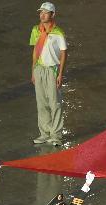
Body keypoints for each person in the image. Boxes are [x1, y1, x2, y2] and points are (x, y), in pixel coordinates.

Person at [29, 2, 67, 146]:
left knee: (55, 103)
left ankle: (56, 135)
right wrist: (33, 70)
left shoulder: (58, 33)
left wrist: (60, 74)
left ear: (53, 15)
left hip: (52, 70)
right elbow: (35, 52)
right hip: (39, 69)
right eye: (41, 12)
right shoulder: (35, 30)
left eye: (46, 12)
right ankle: (44, 134)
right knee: (41, 103)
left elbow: (64, 53)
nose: (42, 15)